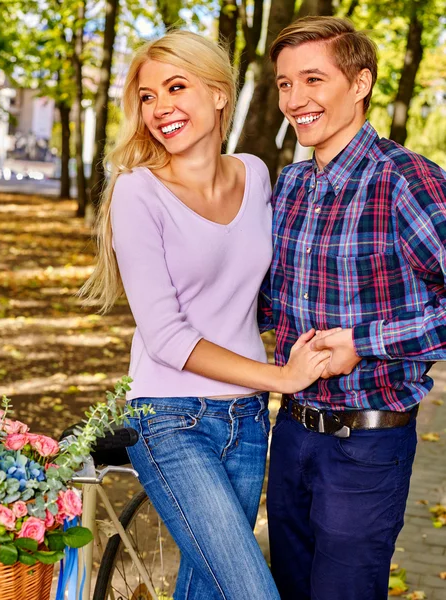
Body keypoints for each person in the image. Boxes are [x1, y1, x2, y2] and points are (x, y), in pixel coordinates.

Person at [80, 30, 331, 600]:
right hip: (169, 419)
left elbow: (266, 286)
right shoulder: (136, 193)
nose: (160, 107)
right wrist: (282, 378)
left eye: (175, 87)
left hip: (245, 422)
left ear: (220, 94)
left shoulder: (256, 174)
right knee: (251, 591)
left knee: (207, 589)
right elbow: (166, 336)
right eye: (147, 96)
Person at [260, 15, 446, 600]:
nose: (296, 99)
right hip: (289, 435)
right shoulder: (289, 184)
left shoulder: (405, 181)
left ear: (360, 83)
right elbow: (268, 304)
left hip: (366, 447)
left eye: (313, 79)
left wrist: (363, 343)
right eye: (285, 84)